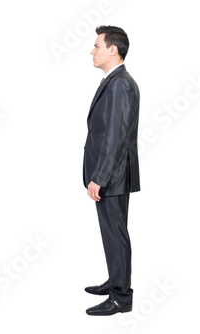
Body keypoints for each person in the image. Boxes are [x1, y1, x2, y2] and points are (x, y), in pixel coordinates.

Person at [82, 25, 140, 316]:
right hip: (112, 174)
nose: (92, 51)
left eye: (96, 46)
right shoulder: (114, 81)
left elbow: (115, 137)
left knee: (115, 234)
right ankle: (116, 281)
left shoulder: (120, 84)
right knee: (111, 233)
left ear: (112, 49)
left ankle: (121, 297)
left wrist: (99, 177)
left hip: (112, 176)